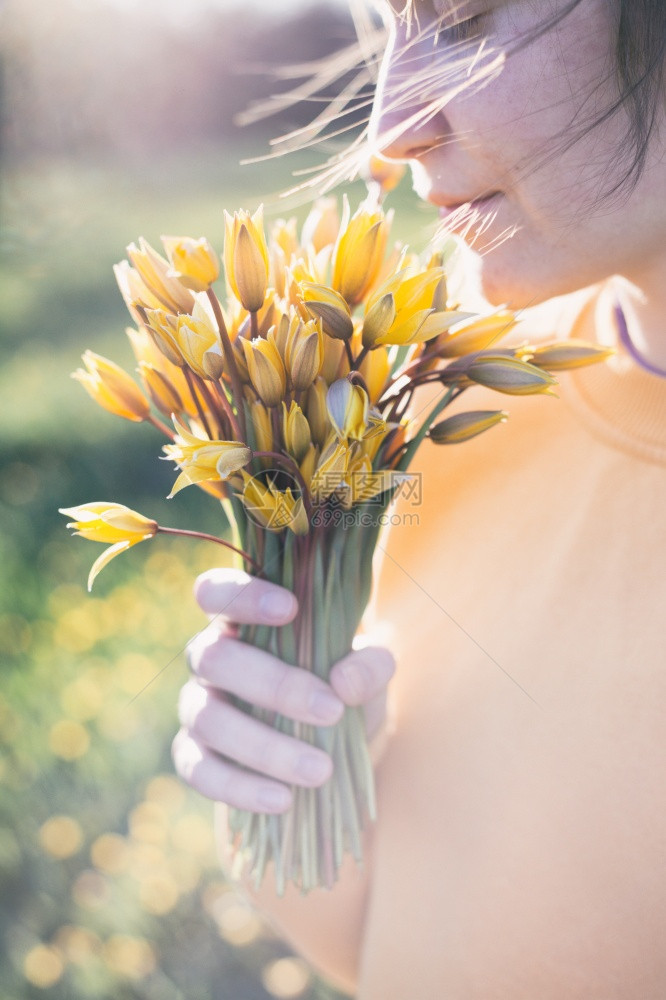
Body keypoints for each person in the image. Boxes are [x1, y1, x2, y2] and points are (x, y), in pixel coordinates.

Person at [173, 2, 666, 997]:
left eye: (462, 17)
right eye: (387, 29)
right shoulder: (452, 386)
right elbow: (399, 952)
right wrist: (297, 796)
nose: (387, 130)